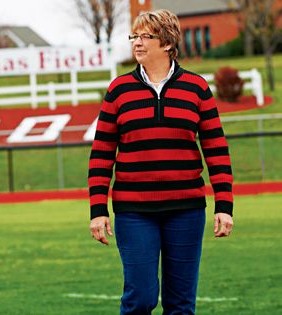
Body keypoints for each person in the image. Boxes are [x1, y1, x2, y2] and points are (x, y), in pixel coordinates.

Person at [87, 9, 234, 315]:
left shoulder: (196, 88)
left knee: (181, 305)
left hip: (187, 210)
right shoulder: (118, 91)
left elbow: (216, 148)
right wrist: (98, 210)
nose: (137, 43)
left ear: (167, 43)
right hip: (134, 211)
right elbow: (101, 154)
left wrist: (224, 204)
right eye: (134, 36)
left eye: (145, 36)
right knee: (140, 298)